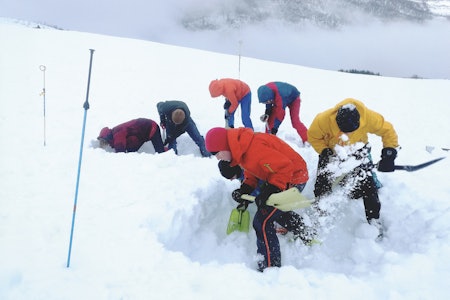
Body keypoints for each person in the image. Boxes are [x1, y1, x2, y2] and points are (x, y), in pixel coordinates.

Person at [206, 127, 314, 271]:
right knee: (272, 211)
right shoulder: (242, 150)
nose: (218, 158)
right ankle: (304, 231)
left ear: (224, 146)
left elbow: (284, 166)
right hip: (282, 176)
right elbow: (253, 171)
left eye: (217, 153)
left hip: (293, 176)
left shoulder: (254, 148)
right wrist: (246, 189)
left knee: (262, 221)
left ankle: (270, 267)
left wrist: (272, 189)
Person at [308, 98, 399, 235]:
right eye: (344, 131)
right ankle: (320, 207)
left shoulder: (368, 117)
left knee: (368, 186)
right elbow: (313, 136)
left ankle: (373, 219)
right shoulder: (323, 120)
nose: (347, 134)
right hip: (333, 151)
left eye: (351, 131)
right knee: (322, 181)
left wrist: (389, 152)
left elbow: (387, 130)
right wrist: (324, 150)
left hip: (358, 151)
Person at [97, 118, 165, 153]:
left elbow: (120, 155)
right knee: (131, 150)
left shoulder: (118, 134)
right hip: (142, 132)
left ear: (107, 138)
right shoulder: (115, 133)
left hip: (150, 127)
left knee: (161, 152)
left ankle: (171, 155)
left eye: (104, 142)